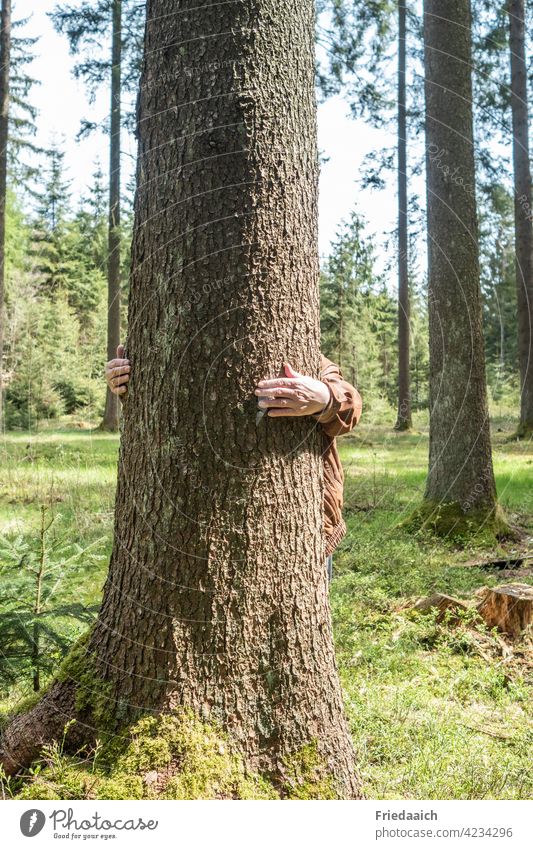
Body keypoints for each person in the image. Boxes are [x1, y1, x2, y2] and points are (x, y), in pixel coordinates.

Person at [105, 347, 362, 580]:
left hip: (308, 530)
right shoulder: (184, 350)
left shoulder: (311, 359)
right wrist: (129, 384)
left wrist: (327, 398)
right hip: (195, 528)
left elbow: (350, 404)